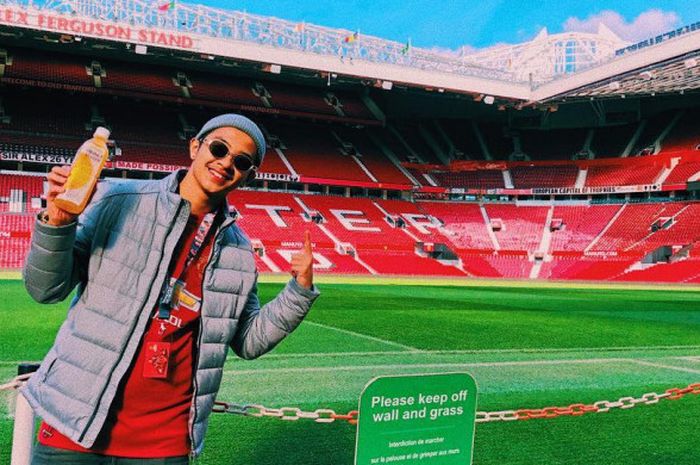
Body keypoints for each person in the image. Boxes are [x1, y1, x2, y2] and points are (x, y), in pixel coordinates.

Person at [21, 114, 320, 464]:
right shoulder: (118, 199)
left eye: (241, 162)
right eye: (219, 148)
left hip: (163, 446)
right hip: (73, 433)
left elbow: (248, 341)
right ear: (195, 145)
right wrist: (58, 222)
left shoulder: (239, 253)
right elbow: (45, 289)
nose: (225, 163)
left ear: (248, 175)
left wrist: (298, 291)